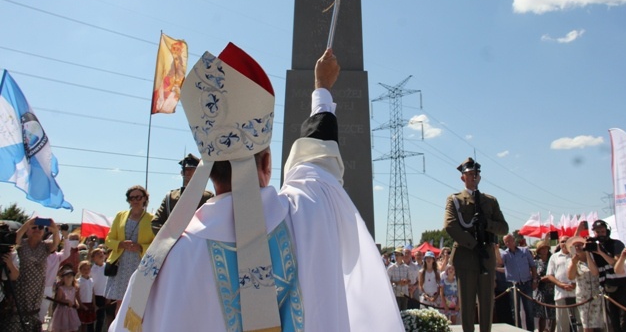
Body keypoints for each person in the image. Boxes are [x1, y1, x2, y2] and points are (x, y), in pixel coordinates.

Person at [109, 45, 403, 331]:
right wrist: (322, 88)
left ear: (210, 173)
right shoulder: (305, 216)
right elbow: (318, 161)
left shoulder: (162, 266)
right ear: (267, 163)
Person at [444, 157, 509, 332]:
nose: (473, 177)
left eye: (475, 174)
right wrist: (473, 245)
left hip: (486, 256)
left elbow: (504, 228)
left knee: (487, 304)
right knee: (467, 304)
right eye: (469, 174)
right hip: (466, 256)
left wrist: (487, 223)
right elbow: (450, 225)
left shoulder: (490, 201)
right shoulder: (455, 200)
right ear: (462, 177)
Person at [104, 186, 154, 317]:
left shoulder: (152, 219)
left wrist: (141, 247)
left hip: (140, 265)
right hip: (121, 265)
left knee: (139, 305)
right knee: (120, 305)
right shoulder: (120, 216)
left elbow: (156, 243)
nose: (135, 200)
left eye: (138, 197)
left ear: (145, 199)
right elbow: (108, 239)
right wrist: (120, 244)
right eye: (132, 198)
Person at [4, 218, 60, 332]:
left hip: (37, 288)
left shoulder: (45, 246)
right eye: (34, 228)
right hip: (20, 285)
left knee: (33, 316)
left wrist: (54, 229)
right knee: (16, 316)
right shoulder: (21, 244)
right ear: (27, 231)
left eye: (40, 228)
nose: (37, 230)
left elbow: (56, 243)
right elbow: (16, 237)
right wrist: (29, 223)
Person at [590, 219, 626, 332]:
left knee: (625, 319)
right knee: (613, 320)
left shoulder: (616, 244)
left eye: (602, 231)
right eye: (597, 232)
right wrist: (588, 251)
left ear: (607, 231)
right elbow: (594, 271)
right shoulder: (594, 248)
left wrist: (601, 252)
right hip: (608, 287)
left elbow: (616, 263)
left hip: (622, 286)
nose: (600, 234)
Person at [150, 154, 214, 234]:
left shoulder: (207, 197)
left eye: (191, 169)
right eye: (185, 169)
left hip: (197, 241)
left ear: (198, 171)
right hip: (174, 241)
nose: (187, 172)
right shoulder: (170, 196)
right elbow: (156, 222)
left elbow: (213, 222)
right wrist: (168, 238)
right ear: (181, 172)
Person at [567, 236, 604, 332]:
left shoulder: (593, 257)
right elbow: (570, 277)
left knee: (598, 323)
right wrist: (574, 263)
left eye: (580, 245)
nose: (578, 248)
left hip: (596, 294)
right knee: (586, 324)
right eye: (575, 246)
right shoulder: (573, 261)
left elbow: (595, 272)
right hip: (583, 296)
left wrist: (587, 254)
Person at [501, 233, 537, 331]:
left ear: (514, 240)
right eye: (506, 242)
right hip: (513, 285)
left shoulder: (524, 251)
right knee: (515, 311)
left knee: (529, 310)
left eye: (509, 241)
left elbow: (533, 266)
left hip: (526, 283)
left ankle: (530, 330)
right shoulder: (505, 254)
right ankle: (518, 329)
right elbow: (499, 262)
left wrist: (534, 280)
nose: (508, 243)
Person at [546, 236, 576, 332]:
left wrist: (575, 284)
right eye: (562, 241)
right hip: (561, 293)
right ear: (559, 243)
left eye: (567, 241)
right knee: (562, 323)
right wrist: (560, 284)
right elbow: (549, 275)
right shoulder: (554, 257)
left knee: (580, 322)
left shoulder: (576, 255)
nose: (564, 243)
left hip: (577, 292)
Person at [49, 265, 81, 332]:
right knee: (63, 327)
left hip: (71, 311)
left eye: (71, 276)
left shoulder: (73, 288)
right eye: (67, 276)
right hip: (62, 311)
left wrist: (76, 303)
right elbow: (58, 299)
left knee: (72, 327)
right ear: (63, 278)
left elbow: (74, 297)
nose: (69, 278)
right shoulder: (61, 288)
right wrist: (66, 301)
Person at [534, 239, 556, 332]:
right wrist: (541, 279)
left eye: (546, 248)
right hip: (542, 290)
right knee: (542, 315)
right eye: (542, 248)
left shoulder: (553, 259)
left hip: (552, 289)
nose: (544, 250)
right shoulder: (535, 262)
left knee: (553, 315)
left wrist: (551, 279)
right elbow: (535, 275)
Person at [89, 249, 107, 332]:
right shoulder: (91, 268)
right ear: (93, 258)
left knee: (101, 318)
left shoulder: (107, 267)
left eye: (102, 253)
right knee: (91, 317)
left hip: (103, 295)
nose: (101, 254)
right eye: (97, 253)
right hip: (92, 295)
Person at [77, 260, 96, 332]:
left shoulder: (91, 280)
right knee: (82, 324)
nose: (86, 271)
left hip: (90, 304)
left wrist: (94, 303)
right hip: (82, 304)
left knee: (90, 322)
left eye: (88, 269)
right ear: (80, 270)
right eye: (84, 269)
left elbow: (92, 293)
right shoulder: (79, 281)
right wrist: (81, 305)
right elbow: (77, 295)